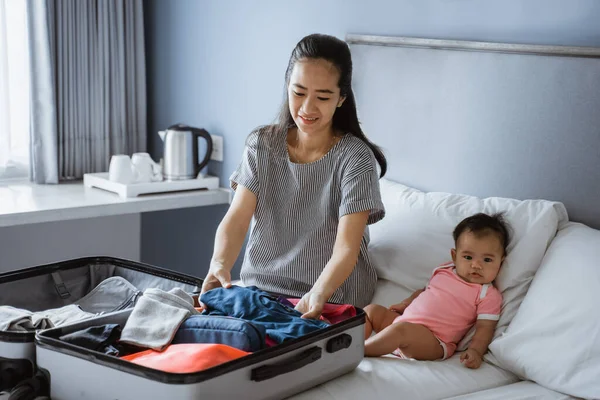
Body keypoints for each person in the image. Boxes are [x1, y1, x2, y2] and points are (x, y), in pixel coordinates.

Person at [200, 33, 387, 320]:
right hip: (260, 289)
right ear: (287, 86)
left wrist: (318, 294)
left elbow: (347, 248)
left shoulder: (355, 158)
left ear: (341, 98)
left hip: (331, 296)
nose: (307, 108)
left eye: (323, 97)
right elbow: (237, 218)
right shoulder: (262, 144)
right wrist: (219, 263)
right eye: (298, 93)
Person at [363, 213, 510, 369]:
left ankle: (358, 351)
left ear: (501, 261)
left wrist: (476, 351)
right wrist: (405, 303)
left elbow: (485, 329)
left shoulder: (487, 294)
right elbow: (425, 291)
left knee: (401, 331)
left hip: (433, 341)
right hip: (403, 323)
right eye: (468, 257)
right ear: (454, 256)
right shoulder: (444, 270)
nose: (476, 265)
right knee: (371, 311)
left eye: (487, 260)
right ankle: (350, 343)